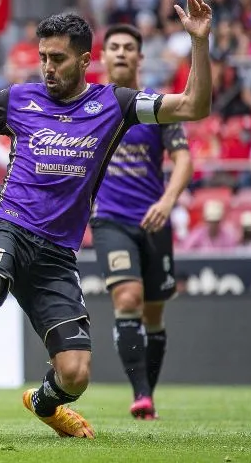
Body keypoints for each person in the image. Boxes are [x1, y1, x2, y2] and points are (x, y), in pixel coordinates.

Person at [0, 0, 213, 441]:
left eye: (58, 58)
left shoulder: (115, 104)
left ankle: (43, 402)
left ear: (85, 60)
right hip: (6, 227)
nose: (47, 67)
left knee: (76, 373)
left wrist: (199, 44)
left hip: (57, 255)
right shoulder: (18, 99)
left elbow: (193, 107)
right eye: (43, 56)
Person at [89, 24, 194, 420]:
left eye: (128, 48)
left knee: (153, 313)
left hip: (154, 221)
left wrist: (168, 202)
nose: (119, 53)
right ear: (102, 57)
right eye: (113, 47)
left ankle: (148, 392)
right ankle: (140, 395)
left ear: (139, 58)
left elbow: (184, 159)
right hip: (110, 220)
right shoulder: (90, 106)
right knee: (127, 299)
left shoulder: (155, 107)